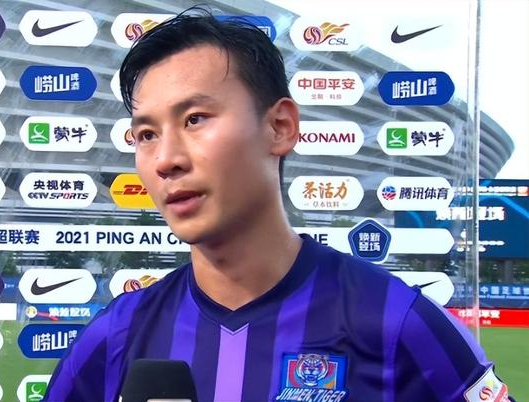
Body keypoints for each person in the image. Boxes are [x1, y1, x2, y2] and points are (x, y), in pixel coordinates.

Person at [43, 8, 511, 402]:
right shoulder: (117, 334)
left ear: (280, 127)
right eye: (147, 134)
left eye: (195, 119)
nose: (166, 160)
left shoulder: (397, 322)